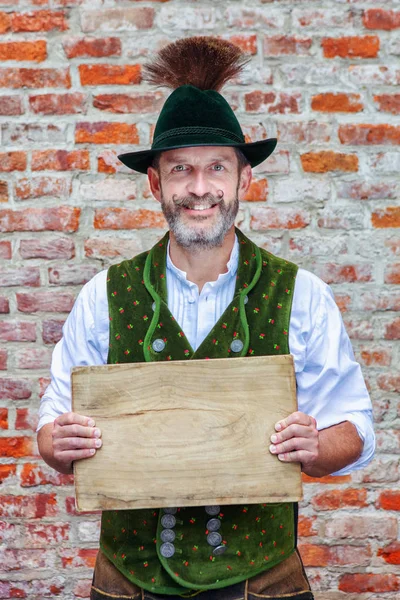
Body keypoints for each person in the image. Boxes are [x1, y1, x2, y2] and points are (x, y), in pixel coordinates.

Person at [37, 37, 375, 600]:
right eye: (180, 169)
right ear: (156, 183)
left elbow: (357, 428)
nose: (199, 189)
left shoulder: (302, 295)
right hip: (129, 579)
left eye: (217, 167)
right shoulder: (104, 295)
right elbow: (52, 424)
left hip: (262, 579)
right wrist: (58, 443)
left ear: (244, 178)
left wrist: (317, 444)